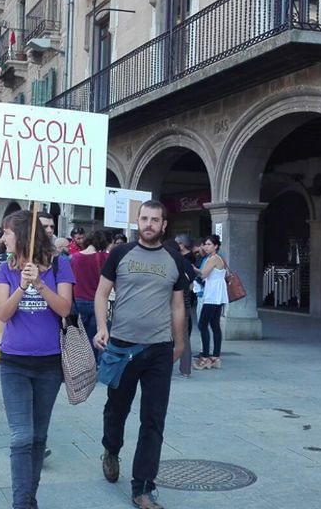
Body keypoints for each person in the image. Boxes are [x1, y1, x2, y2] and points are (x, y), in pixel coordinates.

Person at [93, 200, 188, 509]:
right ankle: (111, 449)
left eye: (155, 219)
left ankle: (143, 487)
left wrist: (180, 342)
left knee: (153, 419)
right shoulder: (120, 254)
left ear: (163, 225)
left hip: (159, 350)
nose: (149, 224)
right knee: (116, 409)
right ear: (137, 221)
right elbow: (101, 292)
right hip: (122, 347)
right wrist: (101, 327)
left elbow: (177, 305)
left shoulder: (175, 261)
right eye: (144, 218)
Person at [0, 210, 74, 509]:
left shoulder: (60, 265)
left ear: (24, 235)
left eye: (7, 233)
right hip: (14, 363)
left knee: (39, 437)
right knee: (21, 437)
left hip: (49, 364)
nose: (3, 239)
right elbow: (1, 314)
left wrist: (40, 283)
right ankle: (21, 504)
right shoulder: (5, 269)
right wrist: (22, 287)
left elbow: (64, 308)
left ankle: (30, 498)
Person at [70, 230, 109, 353]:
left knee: (78, 342)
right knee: (95, 342)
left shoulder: (73, 258)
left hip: (78, 302)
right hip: (97, 304)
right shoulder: (104, 258)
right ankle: (94, 368)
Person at [193, 235, 227, 370]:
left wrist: (192, 268)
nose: (206, 247)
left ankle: (205, 357)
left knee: (202, 324)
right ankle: (215, 357)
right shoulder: (217, 259)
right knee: (214, 325)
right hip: (217, 294)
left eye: (209, 244)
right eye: (205, 244)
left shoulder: (213, 259)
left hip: (213, 295)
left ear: (216, 246)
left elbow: (204, 274)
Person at [174, 235, 202, 377]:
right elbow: (192, 284)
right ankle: (185, 369)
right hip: (184, 305)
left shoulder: (169, 263)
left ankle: (163, 366)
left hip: (167, 306)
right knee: (184, 337)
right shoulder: (186, 263)